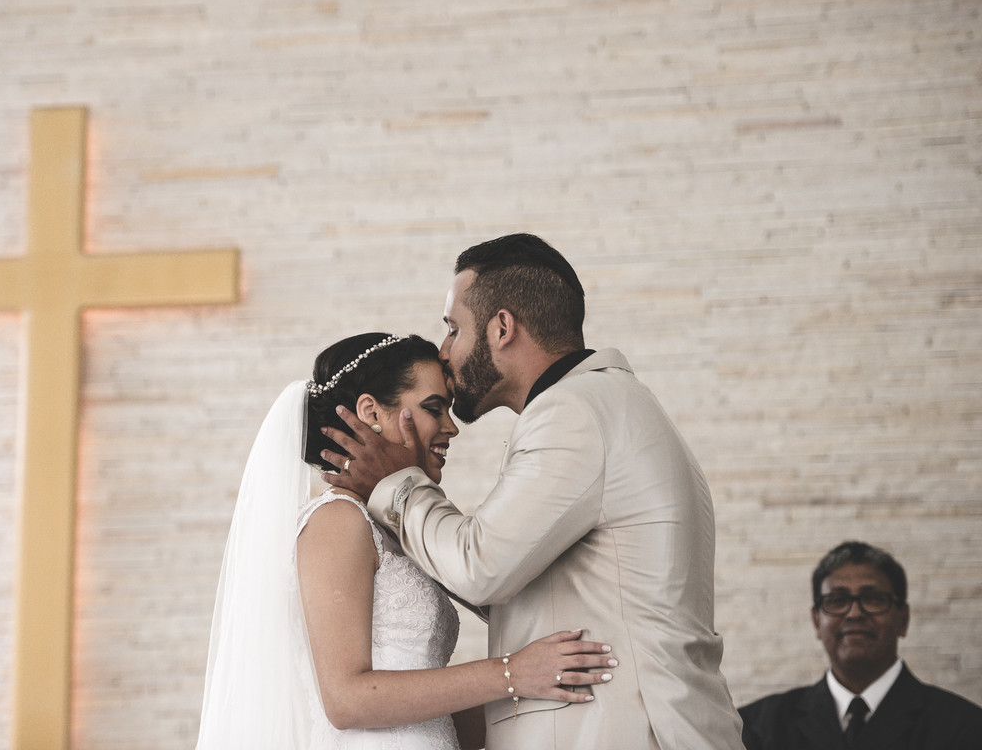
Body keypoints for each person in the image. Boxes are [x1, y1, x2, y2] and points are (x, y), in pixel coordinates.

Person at [320, 235, 745, 750]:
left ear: (502, 327)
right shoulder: (608, 405)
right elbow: (519, 583)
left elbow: (481, 567)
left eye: (453, 328)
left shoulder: (575, 413)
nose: (445, 351)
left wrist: (394, 483)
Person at [196, 332, 617, 750]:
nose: (451, 427)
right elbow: (346, 700)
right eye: (434, 408)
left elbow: (424, 710)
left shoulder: (391, 526)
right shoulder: (337, 520)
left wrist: (530, 697)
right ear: (370, 411)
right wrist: (510, 674)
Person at [738, 540, 982, 749]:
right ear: (816, 621)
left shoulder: (966, 728)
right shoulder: (756, 729)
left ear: (903, 619)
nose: (854, 613)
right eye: (837, 600)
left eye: (874, 599)